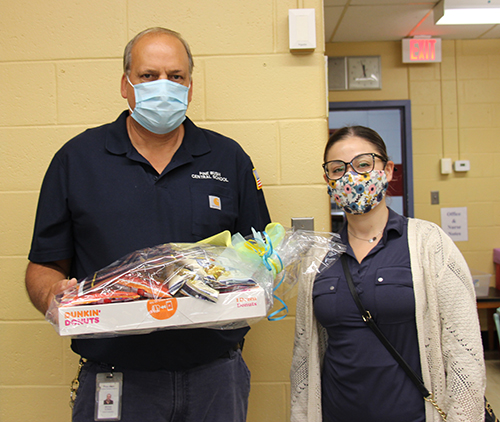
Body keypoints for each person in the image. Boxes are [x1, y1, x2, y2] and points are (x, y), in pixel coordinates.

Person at [25, 27, 270, 422]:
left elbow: (261, 254)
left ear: (190, 87)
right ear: (125, 85)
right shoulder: (77, 160)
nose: (163, 87)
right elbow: (44, 264)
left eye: (176, 77)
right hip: (115, 377)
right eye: (148, 75)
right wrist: (51, 297)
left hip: (215, 377)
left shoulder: (228, 159)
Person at [290, 126, 486, 422]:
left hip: (414, 415)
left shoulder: (429, 243)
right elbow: (304, 356)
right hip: (336, 413)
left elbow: (465, 351)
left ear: (388, 170)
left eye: (364, 164)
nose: (351, 176)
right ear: (327, 180)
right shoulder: (319, 257)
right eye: (337, 169)